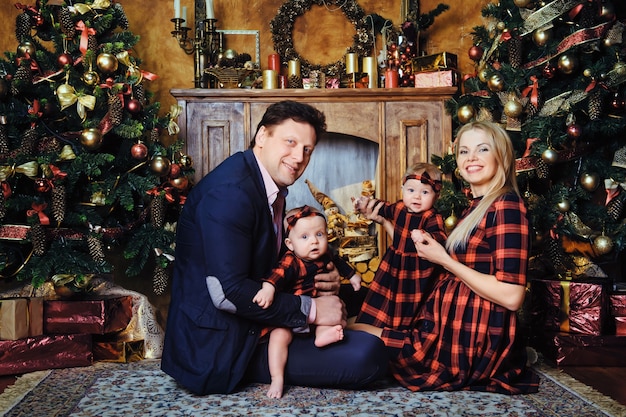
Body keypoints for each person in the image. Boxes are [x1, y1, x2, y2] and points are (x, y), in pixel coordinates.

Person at [161, 100, 387, 395]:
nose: (299, 157)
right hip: (224, 343)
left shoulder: (264, 184)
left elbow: (269, 258)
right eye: (290, 142)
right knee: (368, 355)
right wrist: (314, 310)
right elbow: (228, 294)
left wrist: (325, 274)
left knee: (368, 296)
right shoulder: (230, 194)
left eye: (307, 149)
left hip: (262, 309)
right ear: (263, 136)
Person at [349, 121, 539, 394]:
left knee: (359, 335)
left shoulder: (506, 206)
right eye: (464, 151)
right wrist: (385, 222)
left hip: (469, 334)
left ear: (502, 156)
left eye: (482, 149)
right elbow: (411, 248)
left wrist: (446, 260)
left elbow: (512, 296)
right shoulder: (477, 206)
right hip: (445, 321)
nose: (471, 157)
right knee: (359, 327)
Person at [253, 205, 362, 398]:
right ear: (290, 243)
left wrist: (352, 276)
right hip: (293, 315)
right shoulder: (291, 260)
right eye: (305, 237)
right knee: (279, 337)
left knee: (333, 311)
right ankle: (277, 377)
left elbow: (339, 262)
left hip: (319, 311)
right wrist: (268, 288)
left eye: (319, 234)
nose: (314, 242)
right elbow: (278, 275)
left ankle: (323, 336)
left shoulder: (326, 254)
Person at [352, 162, 446, 329]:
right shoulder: (399, 208)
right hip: (393, 262)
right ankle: (372, 324)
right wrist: (364, 203)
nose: (417, 197)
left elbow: (440, 236)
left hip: (416, 268)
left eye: (425, 192)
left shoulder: (431, 216)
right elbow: (382, 208)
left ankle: (399, 329)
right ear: (402, 188)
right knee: (383, 295)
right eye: (411, 191)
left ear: (436, 196)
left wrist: (426, 235)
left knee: (408, 301)